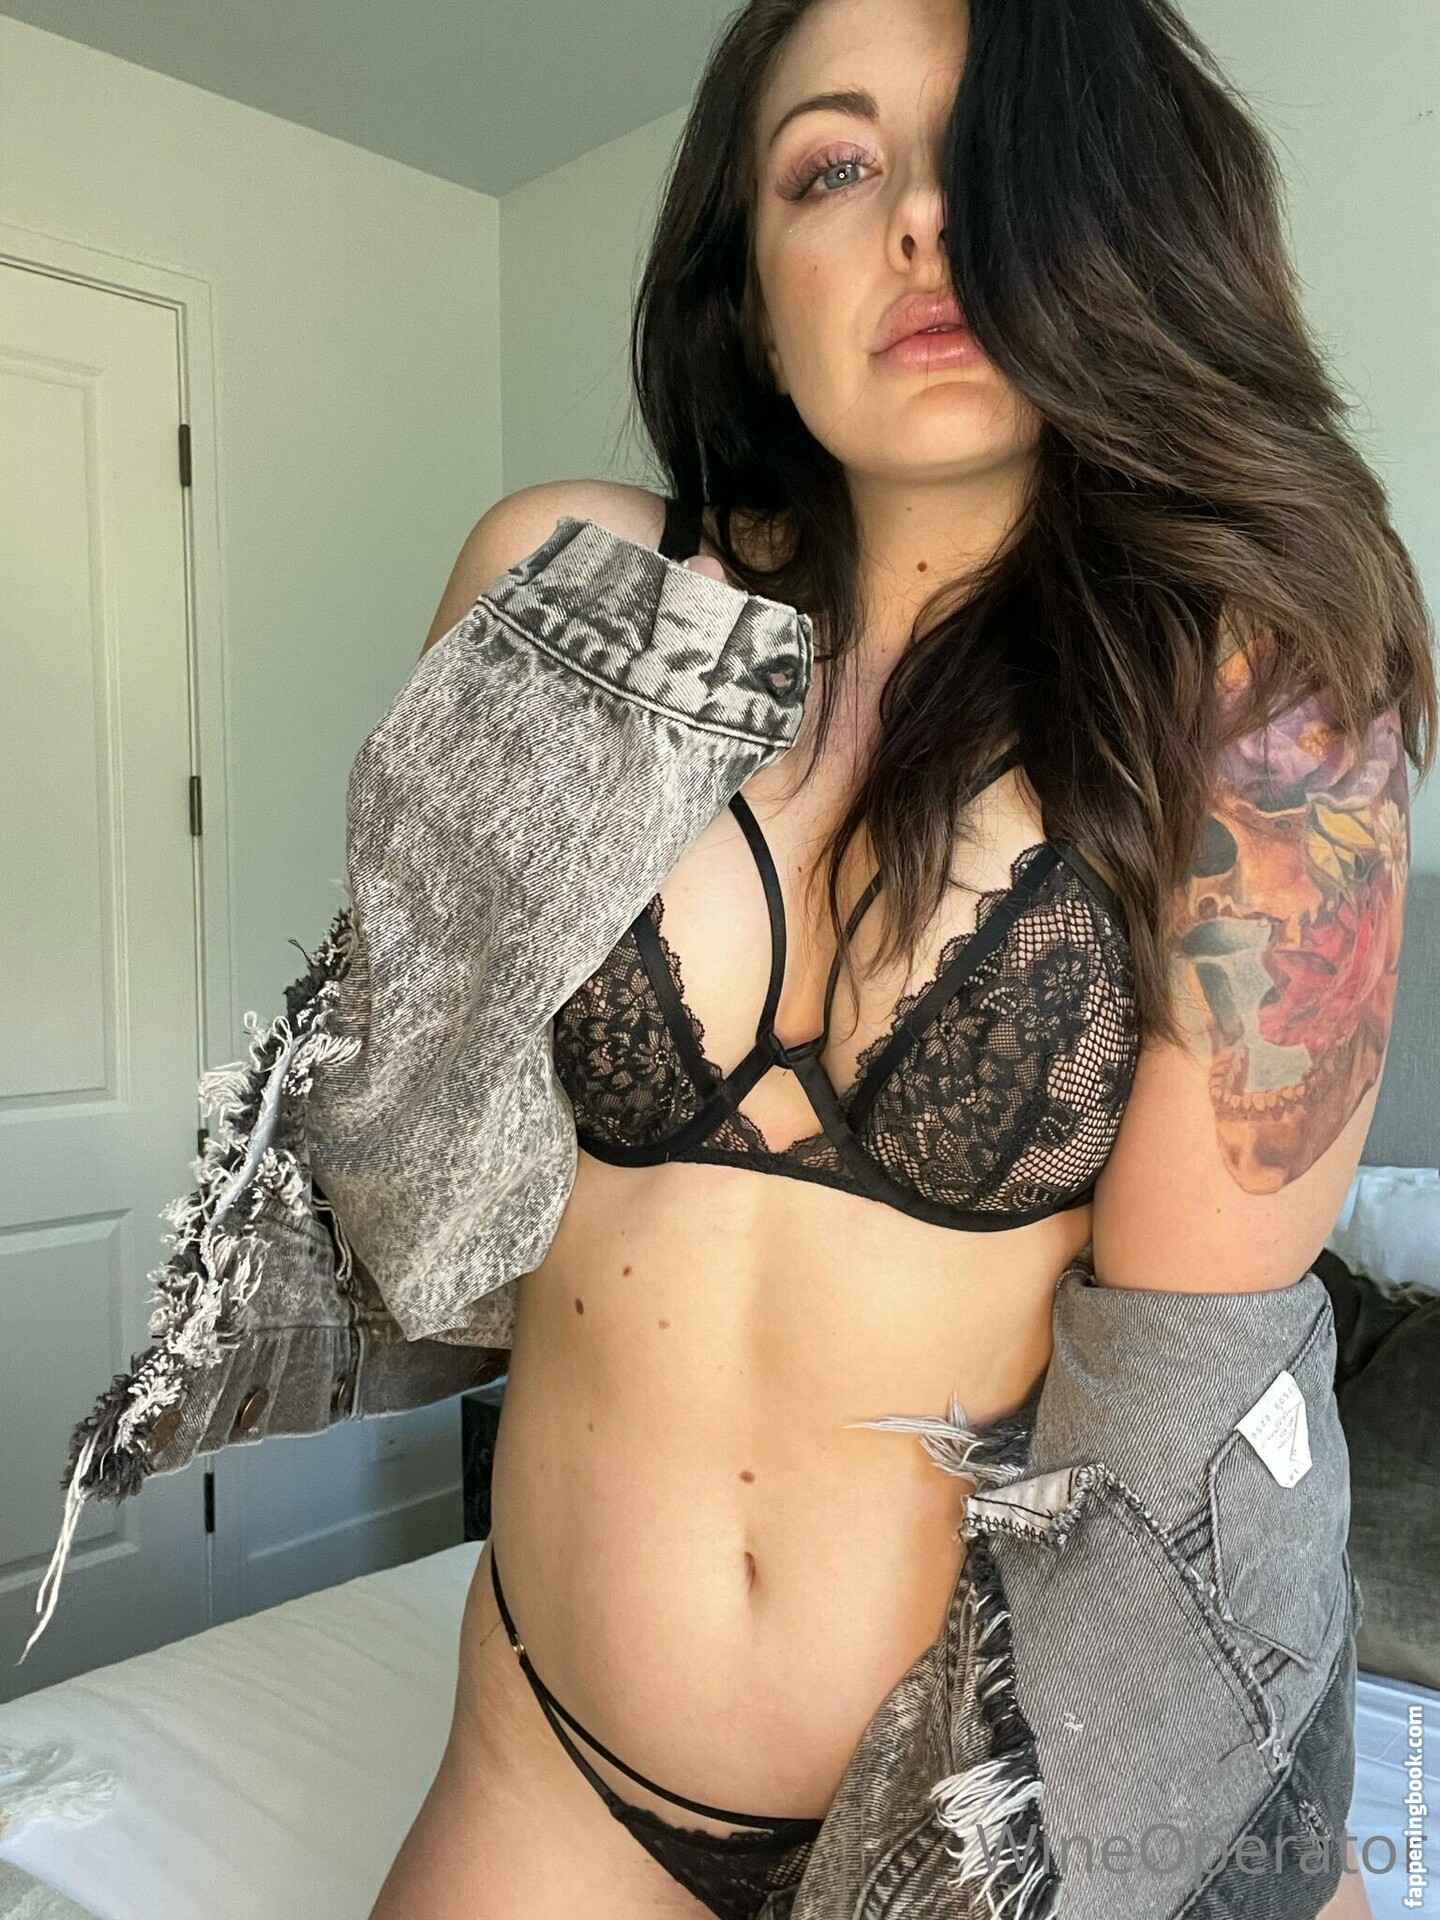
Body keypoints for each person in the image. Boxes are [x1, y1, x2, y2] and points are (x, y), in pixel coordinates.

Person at [367, 0, 1432, 1915]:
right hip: (555, 1762)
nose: (925, 221)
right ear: (750, 288)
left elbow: (1178, 1415)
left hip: (1007, 1826)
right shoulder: (564, 583)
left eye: (993, 151)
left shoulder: (1260, 710)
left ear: (1113, 209)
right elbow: (411, 1172)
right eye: (834, 166)